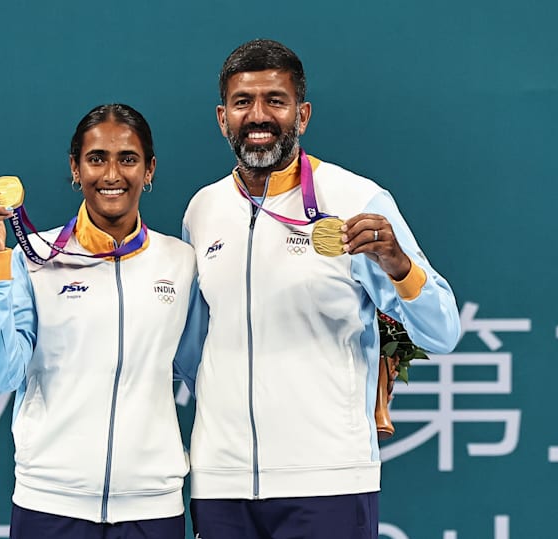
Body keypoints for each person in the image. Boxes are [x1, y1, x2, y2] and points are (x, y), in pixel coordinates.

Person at [180, 39, 461, 538]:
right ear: (222, 118)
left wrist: (398, 265)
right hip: (220, 480)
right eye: (243, 102)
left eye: (276, 100)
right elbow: (191, 352)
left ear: (302, 114)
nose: (258, 115)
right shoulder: (203, 211)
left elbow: (442, 330)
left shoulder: (357, 200)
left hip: (328, 477)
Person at [0, 103, 197, 539]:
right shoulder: (33, 259)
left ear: (149, 170)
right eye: (96, 159)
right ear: (76, 168)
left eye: (128, 159)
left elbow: (206, 370)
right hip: (49, 504)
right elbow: (0, 374)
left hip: (151, 507)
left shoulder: (180, 262)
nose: (112, 175)